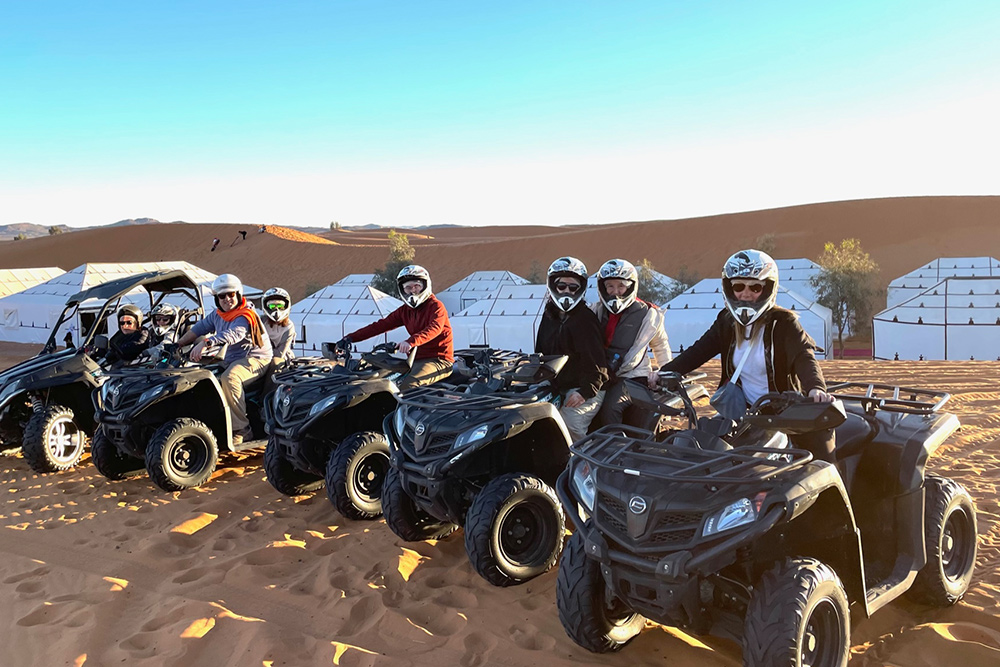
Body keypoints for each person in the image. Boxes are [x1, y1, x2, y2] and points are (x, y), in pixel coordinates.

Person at [661, 249, 836, 461]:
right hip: (742, 414)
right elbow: (698, 352)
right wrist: (663, 373)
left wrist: (815, 387)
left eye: (755, 287)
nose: (746, 293)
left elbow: (803, 356)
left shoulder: (784, 324)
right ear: (729, 288)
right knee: (705, 452)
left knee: (819, 459)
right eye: (738, 286)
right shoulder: (727, 322)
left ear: (767, 288)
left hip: (783, 413)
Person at [175, 274, 273, 445]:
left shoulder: (245, 315)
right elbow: (200, 327)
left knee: (230, 378)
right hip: (231, 358)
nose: (227, 299)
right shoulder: (218, 314)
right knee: (200, 375)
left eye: (231, 294)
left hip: (255, 358)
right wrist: (178, 344)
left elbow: (234, 334)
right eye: (222, 296)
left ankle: (242, 430)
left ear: (238, 295)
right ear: (216, 298)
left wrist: (207, 342)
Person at [338, 265, 453, 390]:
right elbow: (380, 326)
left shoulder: (436, 306)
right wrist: (350, 338)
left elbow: (435, 328)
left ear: (425, 285)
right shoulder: (405, 311)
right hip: (414, 360)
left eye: (417, 286)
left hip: (438, 360)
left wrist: (411, 342)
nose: (413, 291)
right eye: (408, 288)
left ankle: (410, 410)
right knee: (378, 380)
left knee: (408, 385)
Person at [590, 259, 673, 428]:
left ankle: (615, 448)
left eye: (621, 285)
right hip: (603, 373)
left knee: (610, 407)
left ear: (631, 286)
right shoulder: (596, 311)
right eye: (610, 286)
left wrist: (666, 373)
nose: (615, 291)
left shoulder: (648, 314)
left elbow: (660, 345)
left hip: (633, 376)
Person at [534, 257, 608, 441]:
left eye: (573, 287)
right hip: (557, 384)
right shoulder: (549, 315)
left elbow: (598, 365)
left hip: (588, 387)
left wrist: (584, 392)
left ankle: (584, 467)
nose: (567, 291)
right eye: (562, 286)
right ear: (553, 285)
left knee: (569, 426)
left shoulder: (585, 319)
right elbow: (541, 353)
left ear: (580, 289)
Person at [262, 287, 296, 367]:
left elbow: (280, 353)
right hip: (262, 356)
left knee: (275, 362)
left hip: (283, 360)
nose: (276, 310)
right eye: (272, 306)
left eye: (280, 306)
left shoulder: (289, 326)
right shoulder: (261, 322)